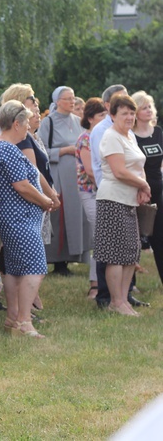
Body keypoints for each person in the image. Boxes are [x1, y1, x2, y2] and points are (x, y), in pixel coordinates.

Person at [0, 101, 53, 338]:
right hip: (20, 217)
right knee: (35, 268)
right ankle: (24, 321)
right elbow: (22, 186)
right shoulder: (7, 148)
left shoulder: (5, 147)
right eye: (26, 122)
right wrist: (44, 200)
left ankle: (12, 319)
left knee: (15, 270)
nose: (28, 127)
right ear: (16, 123)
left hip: (17, 217)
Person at [95, 94, 150, 316]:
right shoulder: (111, 137)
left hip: (129, 199)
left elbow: (138, 165)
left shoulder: (129, 136)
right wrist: (144, 184)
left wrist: (141, 188)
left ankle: (123, 298)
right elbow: (119, 171)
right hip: (112, 199)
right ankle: (116, 302)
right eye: (124, 113)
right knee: (115, 254)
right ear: (112, 115)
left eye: (131, 113)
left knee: (130, 252)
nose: (129, 117)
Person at [38, 86, 92, 276]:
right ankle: (58, 262)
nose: (72, 102)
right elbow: (41, 150)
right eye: (68, 98)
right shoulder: (48, 122)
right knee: (59, 217)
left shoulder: (79, 121)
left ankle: (75, 256)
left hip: (77, 176)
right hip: (58, 173)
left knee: (77, 217)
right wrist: (63, 151)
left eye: (73, 98)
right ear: (58, 101)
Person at [75, 98, 107, 299]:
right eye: (101, 115)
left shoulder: (104, 136)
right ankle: (95, 284)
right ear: (90, 118)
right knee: (99, 236)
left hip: (105, 191)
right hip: (91, 191)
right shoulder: (85, 138)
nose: (105, 119)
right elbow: (91, 171)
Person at [132, 90, 163, 286]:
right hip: (136, 191)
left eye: (150, 106)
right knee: (133, 240)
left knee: (159, 238)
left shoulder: (158, 132)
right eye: (143, 107)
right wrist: (140, 188)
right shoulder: (129, 135)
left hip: (158, 190)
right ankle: (129, 285)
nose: (148, 110)